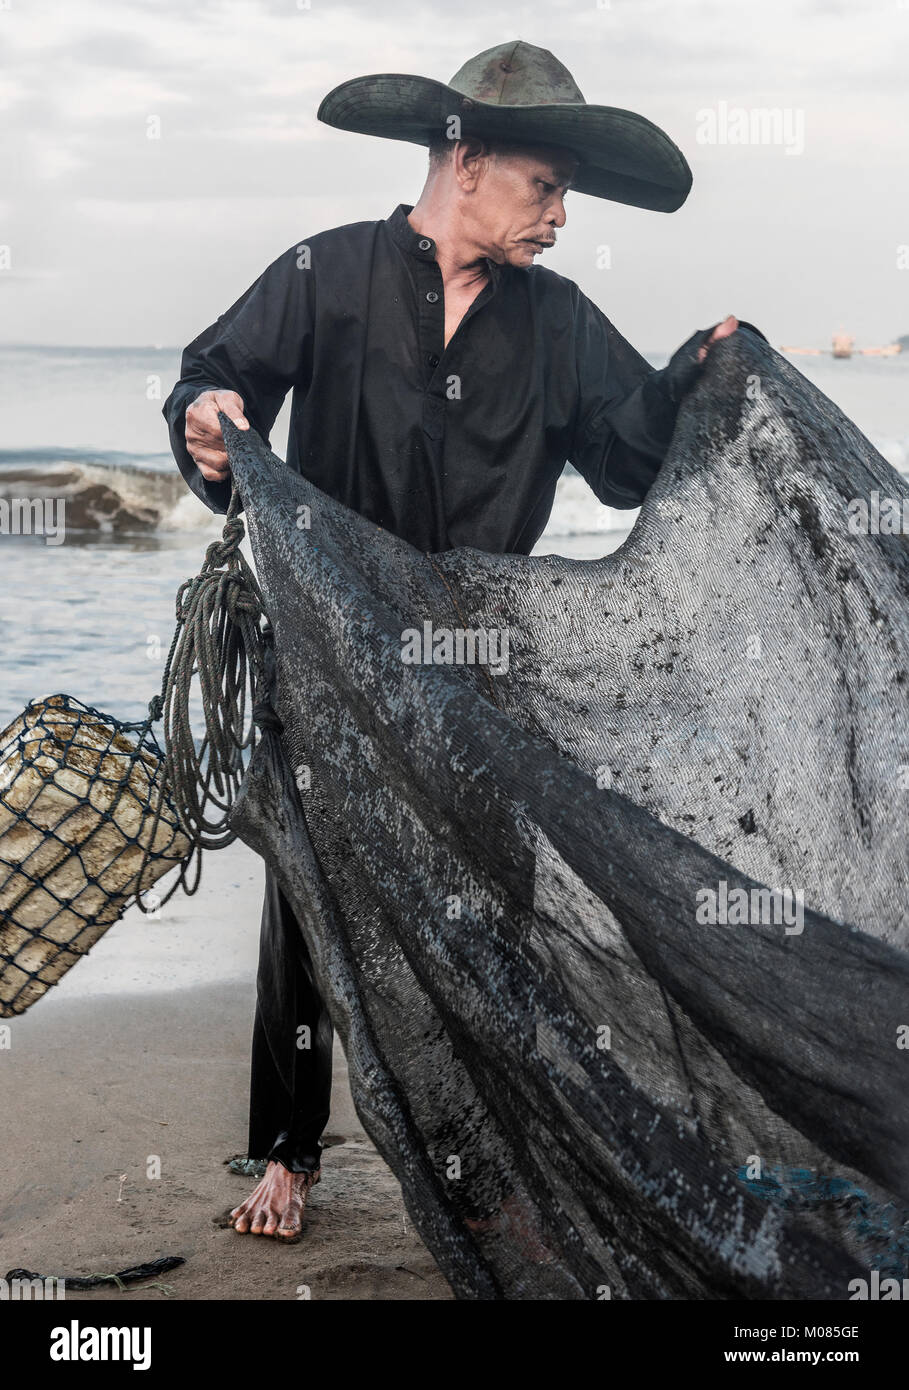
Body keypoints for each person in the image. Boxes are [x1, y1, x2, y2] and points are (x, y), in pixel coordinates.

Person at [163, 39, 747, 1241]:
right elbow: (215, 378)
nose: (561, 216)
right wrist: (208, 421)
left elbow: (630, 462)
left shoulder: (563, 322)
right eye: (546, 186)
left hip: (488, 664)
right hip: (327, 652)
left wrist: (700, 373)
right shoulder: (326, 274)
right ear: (466, 160)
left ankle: (506, 1141)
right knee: (310, 899)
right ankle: (286, 1153)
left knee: (499, 902)